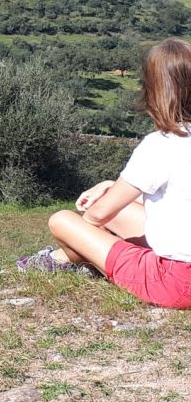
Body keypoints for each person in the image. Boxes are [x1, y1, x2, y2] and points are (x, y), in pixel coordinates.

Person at [17, 38, 191, 309]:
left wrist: (92, 226)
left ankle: (63, 258)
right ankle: (67, 258)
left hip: (177, 282)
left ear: (153, 89)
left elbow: (98, 216)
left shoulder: (163, 144)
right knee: (116, 211)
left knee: (62, 220)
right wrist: (112, 186)